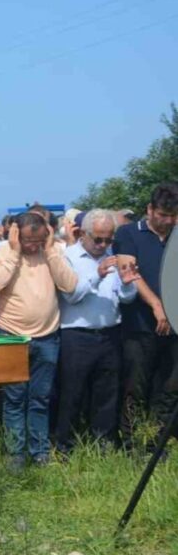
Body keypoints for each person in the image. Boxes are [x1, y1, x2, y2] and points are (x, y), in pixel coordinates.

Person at [0, 212, 78, 470]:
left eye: (37, 240)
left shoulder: (53, 251)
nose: (32, 246)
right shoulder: (4, 252)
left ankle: (39, 454)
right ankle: (15, 455)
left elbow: (70, 285)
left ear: (46, 235)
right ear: (15, 234)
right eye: (27, 240)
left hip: (48, 336)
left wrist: (49, 253)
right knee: (14, 399)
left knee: (40, 398)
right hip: (12, 336)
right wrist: (16, 252)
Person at [57, 209, 140, 456]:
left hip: (109, 333)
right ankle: (64, 447)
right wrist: (97, 274)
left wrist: (127, 283)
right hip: (77, 335)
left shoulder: (114, 256)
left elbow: (126, 298)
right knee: (72, 394)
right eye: (98, 239)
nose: (103, 244)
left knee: (107, 393)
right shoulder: (68, 257)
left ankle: (103, 445)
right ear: (83, 234)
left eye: (108, 239)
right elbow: (71, 295)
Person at [114, 183, 178, 450]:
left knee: (170, 387)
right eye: (162, 214)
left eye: (173, 216)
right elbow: (128, 271)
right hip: (140, 326)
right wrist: (156, 304)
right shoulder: (129, 233)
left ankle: (160, 442)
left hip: (174, 329)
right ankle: (130, 442)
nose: (167, 221)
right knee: (135, 387)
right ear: (150, 209)